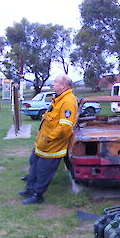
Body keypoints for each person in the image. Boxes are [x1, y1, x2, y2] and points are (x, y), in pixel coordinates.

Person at [19, 74, 78, 205]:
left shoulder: (68, 101)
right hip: (42, 143)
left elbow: (64, 128)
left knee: (43, 170)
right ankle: (30, 189)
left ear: (63, 85)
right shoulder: (58, 98)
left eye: (55, 82)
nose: (53, 84)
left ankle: (38, 195)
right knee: (34, 164)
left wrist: (49, 138)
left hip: (52, 145)